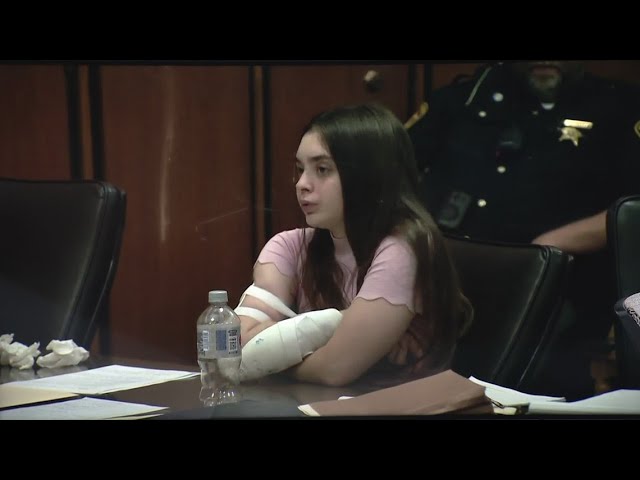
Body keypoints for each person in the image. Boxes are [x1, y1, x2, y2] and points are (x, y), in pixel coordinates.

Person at [407, 61, 640, 398]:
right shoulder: (467, 98)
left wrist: (549, 246)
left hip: (563, 288)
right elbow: (389, 173)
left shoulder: (619, 105)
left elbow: (635, 207)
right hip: (450, 284)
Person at [235, 103, 473, 387]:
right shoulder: (288, 246)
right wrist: (337, 327)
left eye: (322, 169)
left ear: (368, 174)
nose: (301, 184)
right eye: (300, 169)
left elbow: (335, 369)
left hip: (395, 402)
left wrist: (268, 357)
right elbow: (236, 347)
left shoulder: (403, 249)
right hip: (311, 403)